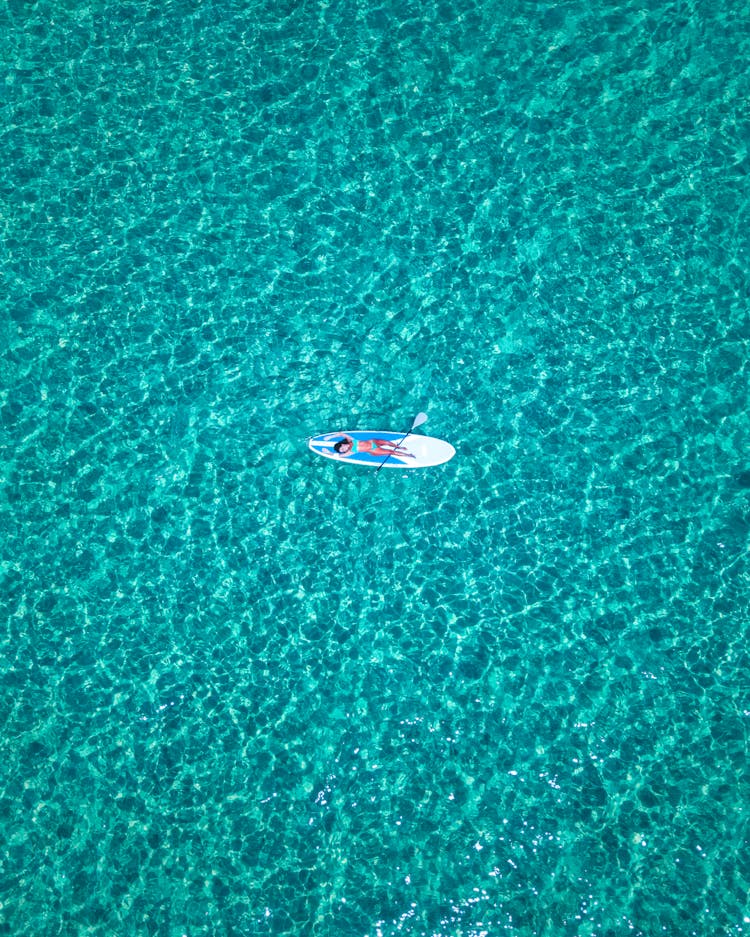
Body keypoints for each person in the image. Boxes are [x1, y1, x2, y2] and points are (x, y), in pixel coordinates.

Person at [333, 434, 415, 458]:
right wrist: (328, 453)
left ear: (343, 444)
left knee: (387, 443)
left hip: (372, 441)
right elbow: (339, 456)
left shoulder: (350, 440)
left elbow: (341, 434)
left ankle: (399, 447)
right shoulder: (350, 452)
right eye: (343, 451)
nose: (344, 450)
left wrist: (330, 437)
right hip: (373, 450)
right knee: (391, 452)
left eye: (342, 448)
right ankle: (409, 455)